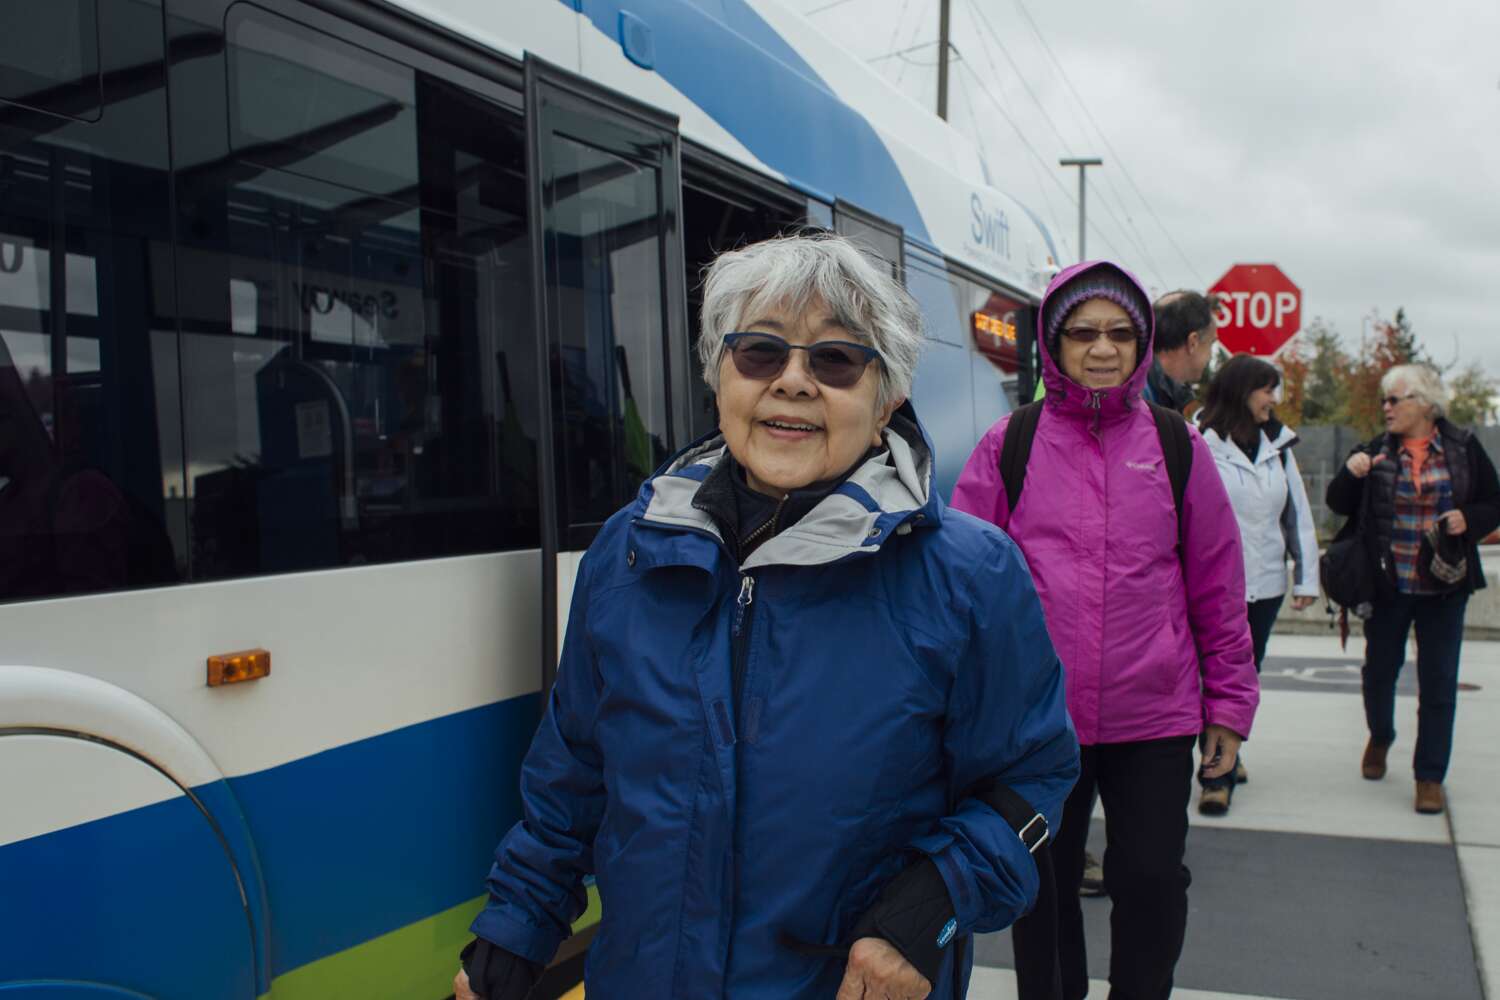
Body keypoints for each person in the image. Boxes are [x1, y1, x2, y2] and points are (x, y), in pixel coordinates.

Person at [455, 234, 1079, 1000]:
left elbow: (1032, 774)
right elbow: (573, 772)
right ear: (720, 376)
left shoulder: (969, 574)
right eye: (759, 353)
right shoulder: (629, 551)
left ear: (886, 398)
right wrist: (516, 933)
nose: (793, 382)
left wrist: (928, 909)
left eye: (835, 361)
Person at [952, 261, 1258, 1000]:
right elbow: (959, 588)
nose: (1102, 348)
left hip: (1153, 712)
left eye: (1121, 332)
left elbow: (1217, 585)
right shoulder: (1008, 444)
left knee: (1151, 879)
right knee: (1043, 889)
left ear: (1143, 343)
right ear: (1055, 344)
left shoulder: (1176, 446)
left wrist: (1229, 706)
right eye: (1083, 332)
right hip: (1039, 721)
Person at [1326, 363, 1500, 815]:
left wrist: (1471, 520)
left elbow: (1493, 501)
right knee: (1379, 673)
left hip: (1445, 585)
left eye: (1394, 399)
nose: (1386, 408)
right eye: (1384, 400)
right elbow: (1337, 503)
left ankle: (1429, 776)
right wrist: (1352, 472)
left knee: (1438, 683)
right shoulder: (1376, 451)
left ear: (1424, 405)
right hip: (1389, 586)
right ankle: (1381, 736)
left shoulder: (1462, 448)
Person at [1192, 354, 1320, 815]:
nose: (1273, 399)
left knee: (1243, 678)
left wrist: (1306, 578)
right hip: (1212, 589)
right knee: (1212, 681)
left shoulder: (1278, 446)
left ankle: (1229, 751)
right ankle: (1216, 777)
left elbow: (1297, 517)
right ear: (1242, 391)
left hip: (1264, 585)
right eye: (1266, 389)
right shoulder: (1200, 442)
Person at [1145, 290, 1218, 412]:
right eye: (1211, 343)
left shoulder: (1148, 389)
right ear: (1193, 342)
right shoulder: (1141, 399)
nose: (1210, 356)